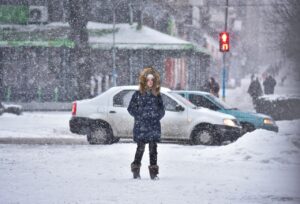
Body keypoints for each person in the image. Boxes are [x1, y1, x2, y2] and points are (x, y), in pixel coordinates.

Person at [127, 67, 165, 180]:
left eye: (152, 80)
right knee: (140, 149)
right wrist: (140, 116)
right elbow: (130, 108)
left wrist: (156, 116)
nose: (150, 82)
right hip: (141, 127)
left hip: (153, 126)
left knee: (153, 150)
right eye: (148, 80)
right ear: (144, 81)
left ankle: (154, 174)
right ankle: (136, 172)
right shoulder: (137, 94)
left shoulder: (157, 95)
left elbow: (162, 110)